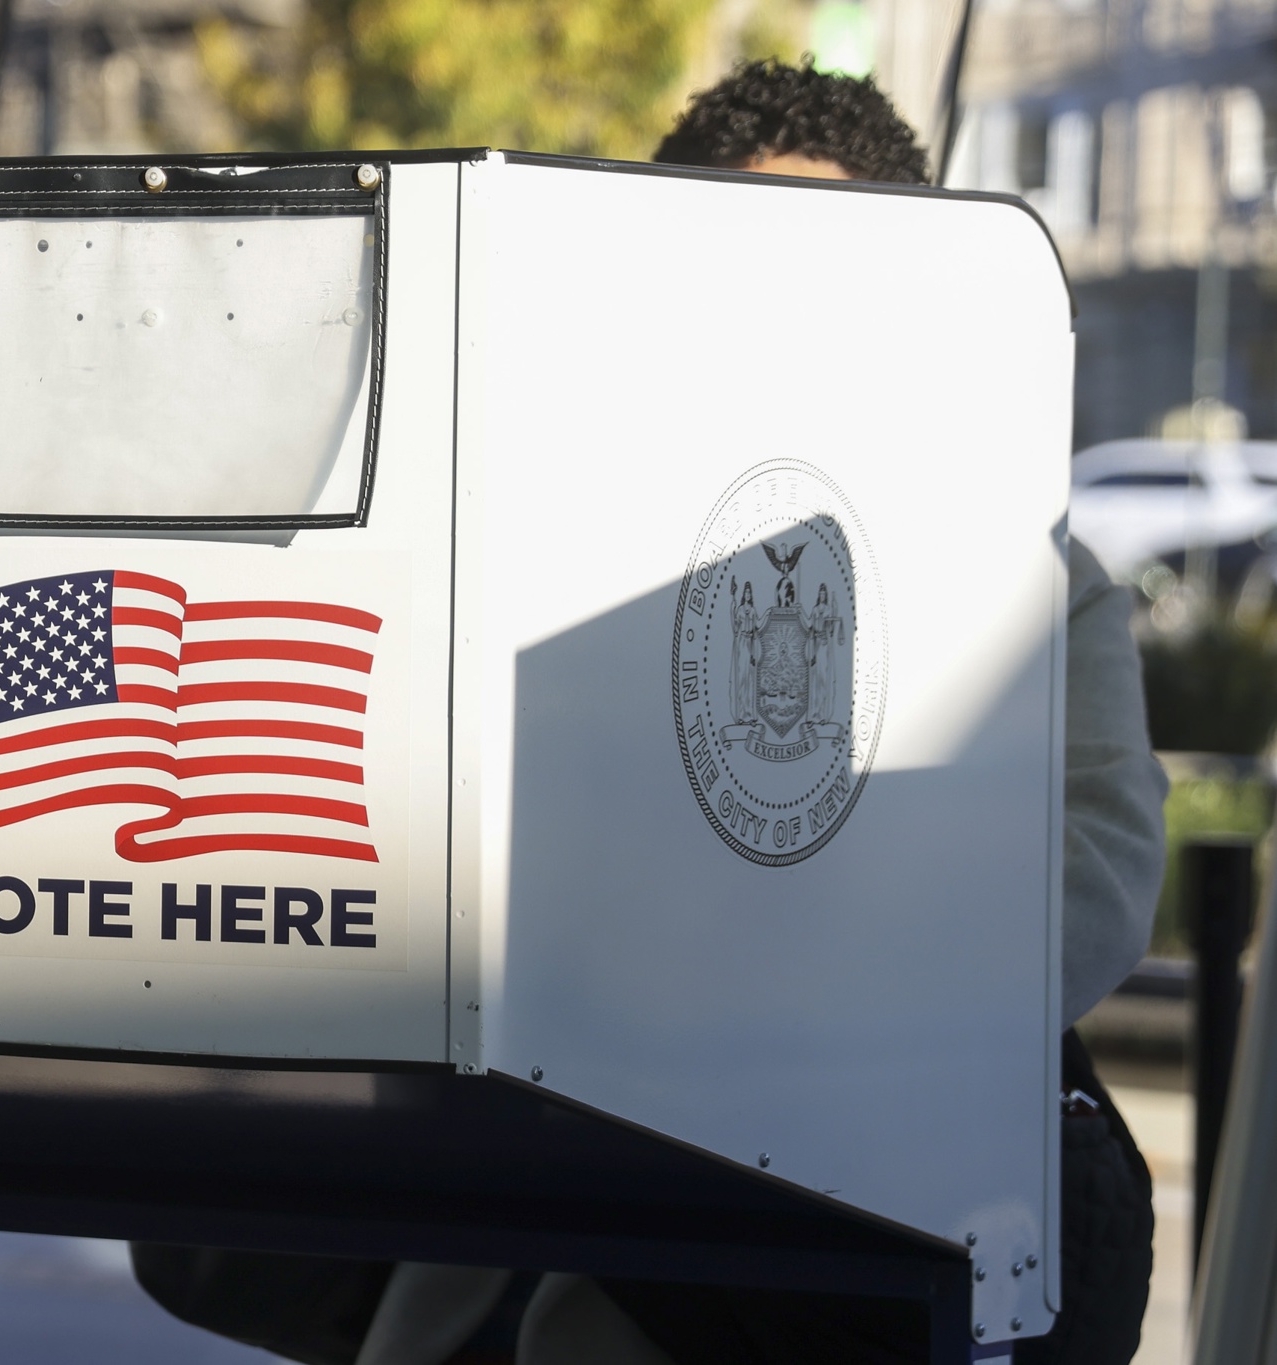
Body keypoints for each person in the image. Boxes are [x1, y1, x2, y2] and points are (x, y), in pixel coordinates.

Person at [137, 58, 1168, 1365]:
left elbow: (1097, 880)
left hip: (881, 1200)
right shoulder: (546, 540)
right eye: (727, 269)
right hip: (554, 1190)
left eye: (820, 271)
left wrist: (757, 1004)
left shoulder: (1016, 562)